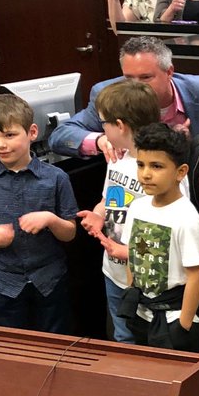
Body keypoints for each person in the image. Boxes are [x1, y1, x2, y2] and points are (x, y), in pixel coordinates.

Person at [0, 94, 78, 333]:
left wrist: (50, 219)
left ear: (32, 132)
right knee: (9, 348)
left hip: (49, 281)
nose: (0, 144)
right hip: (0, 283)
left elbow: (69, 234)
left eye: (9, 135)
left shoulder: (56, 178)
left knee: (54, 346)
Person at [77, 79, 161, 342]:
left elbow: (166, 225)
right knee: (123, 336)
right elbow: (109, 199)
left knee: (150, 337)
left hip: (146, 274)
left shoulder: (160, 167)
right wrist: (98, 214)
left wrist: (130, 253)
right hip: (113, 270)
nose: (102, 129)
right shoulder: (118, 158)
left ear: (120, 125)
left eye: (104, 123)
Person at [50, 36, 199, 158]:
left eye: (145, 77)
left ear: (169, 72)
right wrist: (99, 140)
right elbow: (61, 136)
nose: (136, 86)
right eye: (128, 78)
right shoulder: (109, 94)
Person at [118, 123, 199, 350]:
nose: (146, 174)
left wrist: (184, 323)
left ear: (180, 172)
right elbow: (132, 253)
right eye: (141, 165)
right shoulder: (137, 207)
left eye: (156, 166)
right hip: (142, 311)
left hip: (173, 317)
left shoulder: (186, 217)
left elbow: (196, 275)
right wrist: (131, 291)